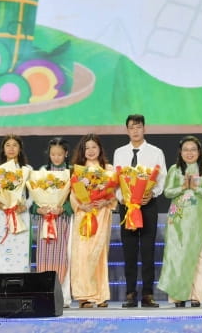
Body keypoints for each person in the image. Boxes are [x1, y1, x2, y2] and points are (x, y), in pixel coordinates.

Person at [113, 114, 167, 308]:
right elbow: (116, 180)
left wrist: (152, 193)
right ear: (127, 130)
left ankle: (147, 294)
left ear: (144, 128)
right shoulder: (120, 152)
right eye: (131, 127)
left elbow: (162, 178)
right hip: (127, 207)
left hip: (148, 205)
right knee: (129, 250)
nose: (135, 131)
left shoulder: (156, 152)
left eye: (138, 127)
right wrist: (122, 197)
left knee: (147, 250)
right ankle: (130, 293)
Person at [157, 136, 202, 307]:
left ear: (199, 152)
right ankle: (178, 296)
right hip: (178, 220)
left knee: (199, 256)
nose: (189, 153)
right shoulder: (175, 170)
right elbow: (167, 192)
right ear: (180, 152)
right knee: (178, 257)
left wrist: (195, 187)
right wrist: (183, 187)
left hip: (199, 219)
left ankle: (196, 296)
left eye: (193, 150)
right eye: (186, 150)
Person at [69, 134, 116, 308]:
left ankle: (101, 295)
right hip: (84, 215)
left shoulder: (108, 169)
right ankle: (84, 296)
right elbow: (72, 194)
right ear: (82, 151)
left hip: (102, 214)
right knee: (82, 255)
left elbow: (114, 193)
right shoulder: (77, 170)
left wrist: (106, 202)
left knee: (99, 253)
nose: (90, 151)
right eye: (87, 148)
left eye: (94, 147)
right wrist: (81, 206)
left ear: (100, 149)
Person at [32, 137, 74, 307]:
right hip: (45, 221)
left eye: (59, 154)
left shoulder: (71, 173)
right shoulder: (42, 172)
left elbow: (76, 198)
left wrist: (64, 208)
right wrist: (38, 209)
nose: (56, 157)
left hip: (63, 221)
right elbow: (34, 202)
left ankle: (62, 296)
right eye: (53, 154)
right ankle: (44, 293)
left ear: (66, 154)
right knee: (44, 255)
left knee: (63, 256)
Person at [0, 134, 33, 273]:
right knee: (0, 251)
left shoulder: (27, 169)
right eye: (8, 145)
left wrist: (26, 206)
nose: (11, 148)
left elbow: (33, 193)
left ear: (20, 149)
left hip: (20, 215)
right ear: (3, 149)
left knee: (20, 252)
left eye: (15, 145)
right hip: (2, 215)